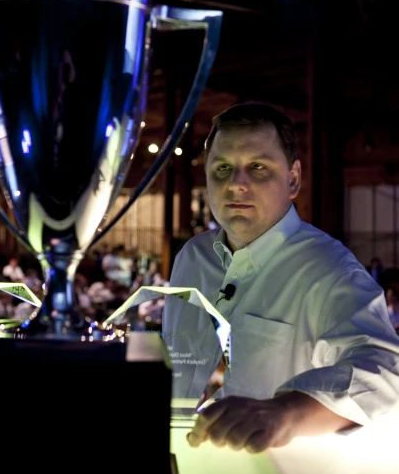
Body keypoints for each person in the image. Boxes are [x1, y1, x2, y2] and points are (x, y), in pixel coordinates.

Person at [162, 102, 399, 454]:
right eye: (222, 168)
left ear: (292, 179)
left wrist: (285, 413)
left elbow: (385, 371)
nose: (235, 185)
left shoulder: (328, 269)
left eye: (257, 167)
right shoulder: (192, 258)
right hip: (182, 459)